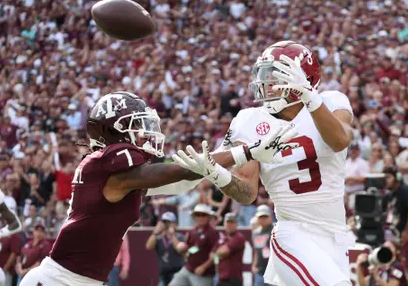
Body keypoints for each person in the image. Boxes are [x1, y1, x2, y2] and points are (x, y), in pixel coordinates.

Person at [20, 91, 293, 286]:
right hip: (58, 280)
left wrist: (220, 161)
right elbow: (183, 169)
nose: (145, 132)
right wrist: (244, 152)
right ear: (114, 131)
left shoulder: (123, 178)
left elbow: (181, 181)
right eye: (136, 125)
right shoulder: (107, 164)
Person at [173, 41, 355, 285]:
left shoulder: (331, 101)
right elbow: (247, 193)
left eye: (275, 76)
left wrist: (310, 98)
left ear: (303, 78)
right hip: (294, 233)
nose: (266, 84)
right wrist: (217, 174)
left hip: (335, 236)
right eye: (264, 75)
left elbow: (340, 140)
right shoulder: (249, 120)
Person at [169, 204, 219, 286]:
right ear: (194, 216)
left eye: (203, 215)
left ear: (208, 217)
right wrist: (179, 244)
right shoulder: (192, 231)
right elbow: (185, 250)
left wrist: (203, 267)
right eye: (197, 215)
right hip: (188, 269)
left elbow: (216, 253)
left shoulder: (212, 232)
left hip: (203, 274)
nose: (200, 217)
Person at [145, 212, 184, 286]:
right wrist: (155, 232)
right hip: (163, 274)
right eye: (164, 222)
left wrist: (172, 235)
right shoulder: (158, 238)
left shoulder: (180, 237)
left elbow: (180, 250)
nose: (166, 225)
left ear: (175, 224)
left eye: (169, 222)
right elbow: (148, 246)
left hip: (177, 273)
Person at [211, 212, 245, 286]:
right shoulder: (222, 238)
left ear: (236, 224)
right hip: (221, 277)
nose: (230, 225)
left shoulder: (239, 237)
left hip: (234, 278)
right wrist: (219, 253)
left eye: (232, 222)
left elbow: (223, 252)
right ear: (224, 224)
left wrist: (219, 253)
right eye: (228, 222)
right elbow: (212, 255)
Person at [252, 205, 274, 286]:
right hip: (260, 271)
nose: (263, 219)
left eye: (265, 216)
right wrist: (254, 265)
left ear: (271, 217)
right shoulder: (255, 233)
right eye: (261, 217)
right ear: (257, 218)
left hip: (274, 272)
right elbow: (256, 250)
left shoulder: (276, 230)